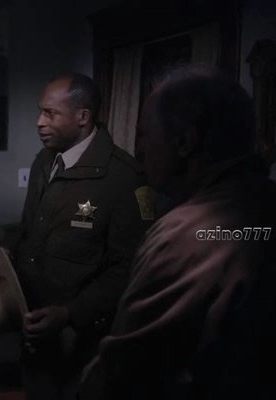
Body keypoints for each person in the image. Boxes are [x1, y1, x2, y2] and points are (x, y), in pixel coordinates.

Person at [80, 65, 276, 400]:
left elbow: (125, 372)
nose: (140, 148)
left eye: (145, 134)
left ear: (184, 142)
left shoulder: (182, 237)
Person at [0, 72, 151, 400]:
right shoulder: (44, 162)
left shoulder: (124, 177)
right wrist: (2, 255)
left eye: (50, 113)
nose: (39, 122)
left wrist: (69, 314)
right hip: (36, 333)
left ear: (83, 117)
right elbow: (28, 229)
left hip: (84, 344)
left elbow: (129, 267)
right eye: (40, 111)